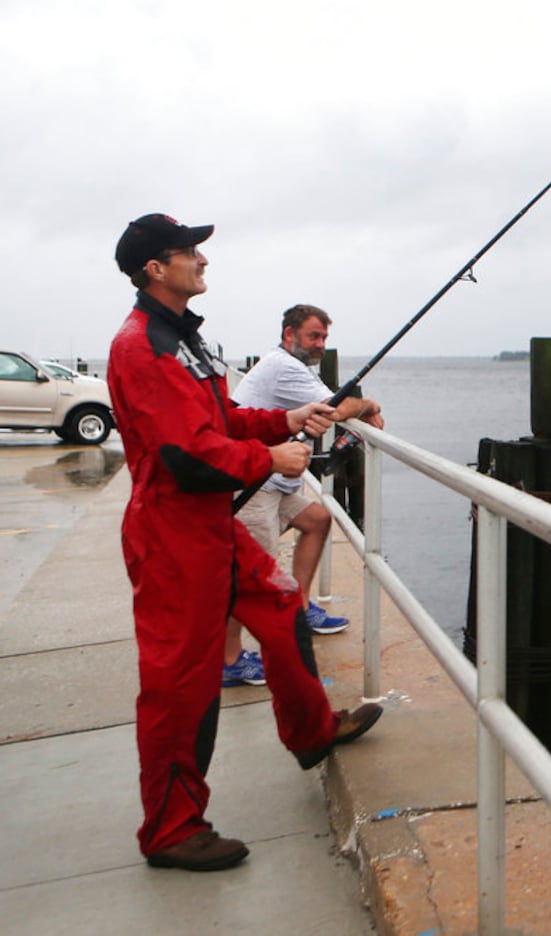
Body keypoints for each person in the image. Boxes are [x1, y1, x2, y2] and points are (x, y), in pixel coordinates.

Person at [108, 213, 383, 871]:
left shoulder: (180, 338)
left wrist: (284, 420)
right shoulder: (142, 345)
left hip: (209, 526)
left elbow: (221, 418)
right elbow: (185, 455)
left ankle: (313, 730)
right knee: (181, 685)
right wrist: (271, 461)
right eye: (189, 252)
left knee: (282, 606)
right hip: (173, 535)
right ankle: (171, 830)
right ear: (156, 267)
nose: (202, 261)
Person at [222, 304, 384, 685]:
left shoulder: (297, 367)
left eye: (325, 338)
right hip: (254, 484)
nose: (320, 345)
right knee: (247, 578)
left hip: (275, 481)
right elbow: (337, 409)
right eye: (314, 336)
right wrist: (369, 405)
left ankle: (302, 605)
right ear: (288, 334)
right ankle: (228, 661)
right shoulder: (284, 368)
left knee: (318, 519)